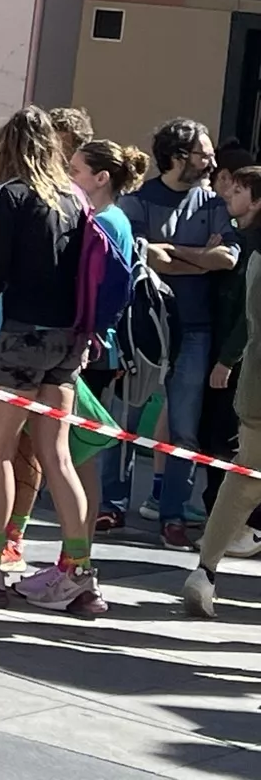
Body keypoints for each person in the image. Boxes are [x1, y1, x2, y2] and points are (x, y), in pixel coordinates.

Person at [0, 107, 105, 614]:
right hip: (66, 340)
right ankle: (78, 570)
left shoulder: (12, 196)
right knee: (57, 454)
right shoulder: (76, 198)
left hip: (20, 335)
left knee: (1, 448)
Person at [113, 117, 236, 545]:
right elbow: (144, 257)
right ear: (178, 157)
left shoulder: (213, 203)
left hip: (195, 328)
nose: (211, 161)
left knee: (184, 425)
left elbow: (227, 259)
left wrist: (179, 254)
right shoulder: (138, 200)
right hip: (144, 325)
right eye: (204, 154)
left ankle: (173, 514)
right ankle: (113, 505)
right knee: (125, 417)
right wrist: (200, 254)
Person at [184, 162, 261, 616]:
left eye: (238, 195)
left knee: (244, 476)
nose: (230, 207)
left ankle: (206, 569)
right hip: (254, 382)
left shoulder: (252, 250)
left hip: (254, 386)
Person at [69, 137, 151, 532]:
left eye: (75, 172)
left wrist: (91, 335)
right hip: (98, 345)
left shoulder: (103, 223)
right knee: (75, 450)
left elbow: (106, 290)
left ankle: (78, 551)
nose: (68, 179)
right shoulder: (110, 219)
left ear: (101, 178)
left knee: (81, 451)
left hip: (96, 348)